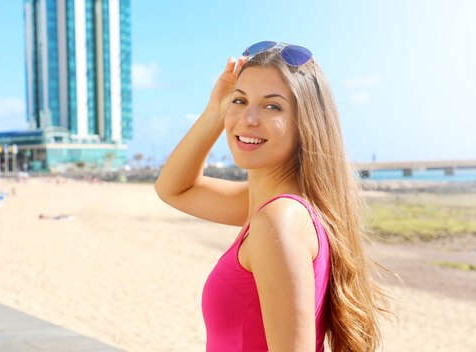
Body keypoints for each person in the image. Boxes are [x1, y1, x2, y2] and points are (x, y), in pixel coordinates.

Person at [154, 41, 390, 352]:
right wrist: (216, 111)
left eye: (272, 106)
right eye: (240, 100)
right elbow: (173, 189)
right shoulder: (272, 208)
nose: (248, 118)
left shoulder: (278, 222)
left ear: (305, 123)